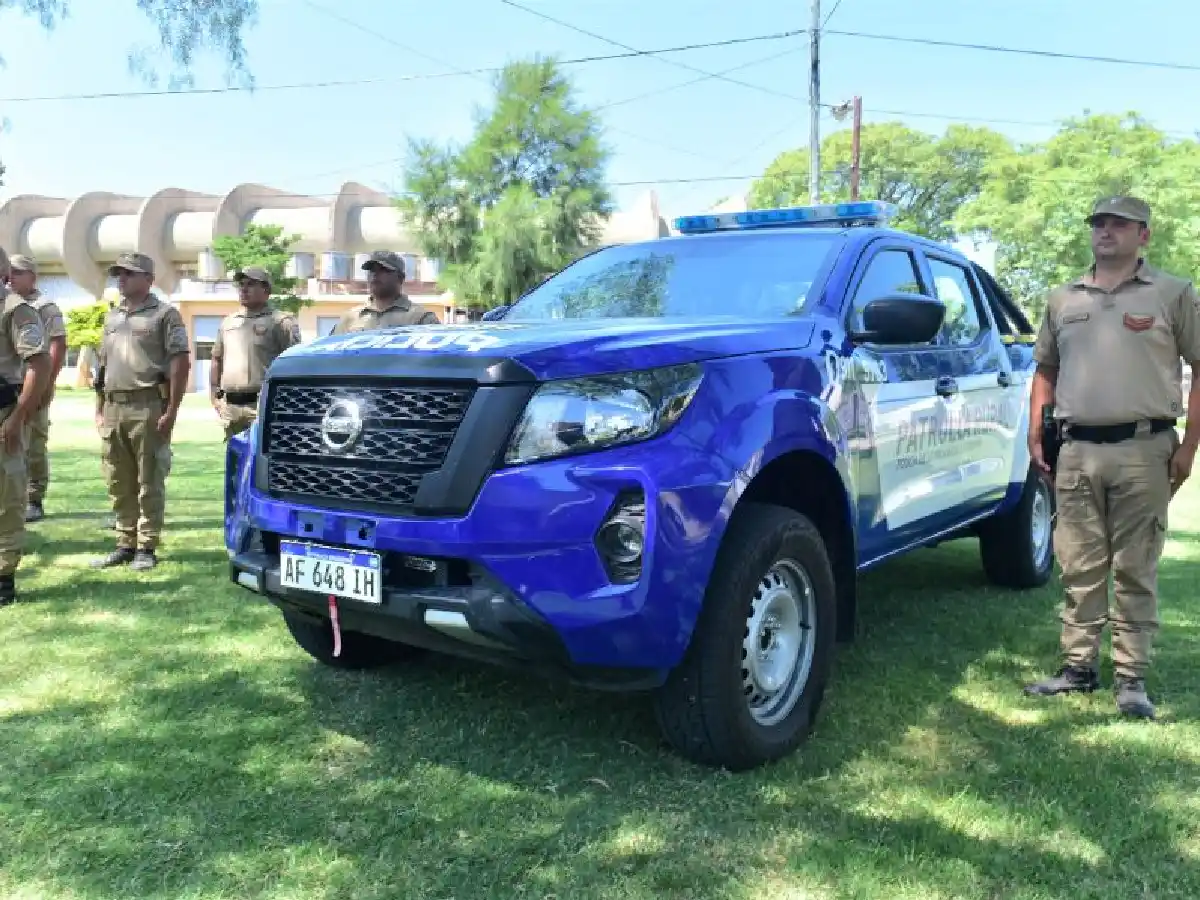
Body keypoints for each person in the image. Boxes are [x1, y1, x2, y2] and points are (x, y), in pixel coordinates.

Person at [1024, 195, 1200, 719]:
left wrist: (1189, 446)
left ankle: (1131, 679)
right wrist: (1037, 430)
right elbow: (1045, 370)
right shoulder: (1063, 299)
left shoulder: (1173, 293)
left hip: (1145, 449)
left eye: (1118, 225)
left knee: (1135, 566)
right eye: (1098, 223)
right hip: (1076, 451)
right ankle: (1078, 669)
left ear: (1143, 234)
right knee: (1078, 564)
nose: (1105, 232)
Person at [91, 252, 191, 571]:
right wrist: (99, 407)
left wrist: (171, 410)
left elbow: (180, 363)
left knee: (150, 479)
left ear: (148, 279)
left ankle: (146, 546)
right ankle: (124, 542)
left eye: (129, 274)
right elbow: (102, 367)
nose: (121, 279)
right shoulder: (112, 317)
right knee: (118, 480)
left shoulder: (165, 315)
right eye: (119, 273)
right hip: (113, 407)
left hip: (148, 405)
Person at [0, 248, 51, 606]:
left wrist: (18, 416)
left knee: (7, 499)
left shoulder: (14, 309)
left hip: (3, 412)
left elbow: (39, 362)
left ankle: (3, 577)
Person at [6, 255, 67, 523]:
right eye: (10, 272)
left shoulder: (45, 307)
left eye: (19, 273)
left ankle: (34, 498)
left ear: (33, 276)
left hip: (34, 384)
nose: (12, 277)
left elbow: (57, 346)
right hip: (10, 387)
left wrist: (47, 385)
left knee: (35, 443)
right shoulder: (6, 304)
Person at [209, 266, 302, 440]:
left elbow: (295, 365)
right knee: (235, 461)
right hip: (232, 408)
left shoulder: (281, 322)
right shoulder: (229, 323)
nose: (243, 289)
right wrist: (214, 395)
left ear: (266, 289)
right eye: (241, 284)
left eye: (251, 284)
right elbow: (216, 359)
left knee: (262, 462)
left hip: (263, 405)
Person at [330, 250, 440, 333]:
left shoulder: (421, 318)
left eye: (383, 270)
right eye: (372, 270)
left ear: (400, 278)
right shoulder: (349, 319)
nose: (375, 275)